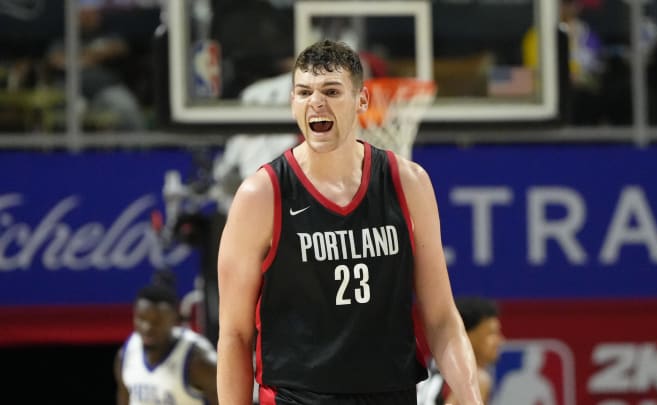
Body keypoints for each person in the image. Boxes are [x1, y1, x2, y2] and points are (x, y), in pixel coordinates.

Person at [217, 39, 483, 405]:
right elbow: (234, 335)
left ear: (362, 100)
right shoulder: (261, 195)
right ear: (293, 102)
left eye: (331, 91)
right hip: (297, 397)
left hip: (392, 393)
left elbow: (440, 317)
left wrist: (471, 398)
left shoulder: (408, 182)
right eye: (304, 92)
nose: (316, 102)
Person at [114, 270, 219, 405]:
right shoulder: (126, 354)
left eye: (157, 321)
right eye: (142, 319)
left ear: (175, 320)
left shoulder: (199, 360)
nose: (148, 327)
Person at [417, 297, 504, 405]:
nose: (500, 341)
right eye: (491, 333)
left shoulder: (427, 368)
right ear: (466, 336)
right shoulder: (477, 379)